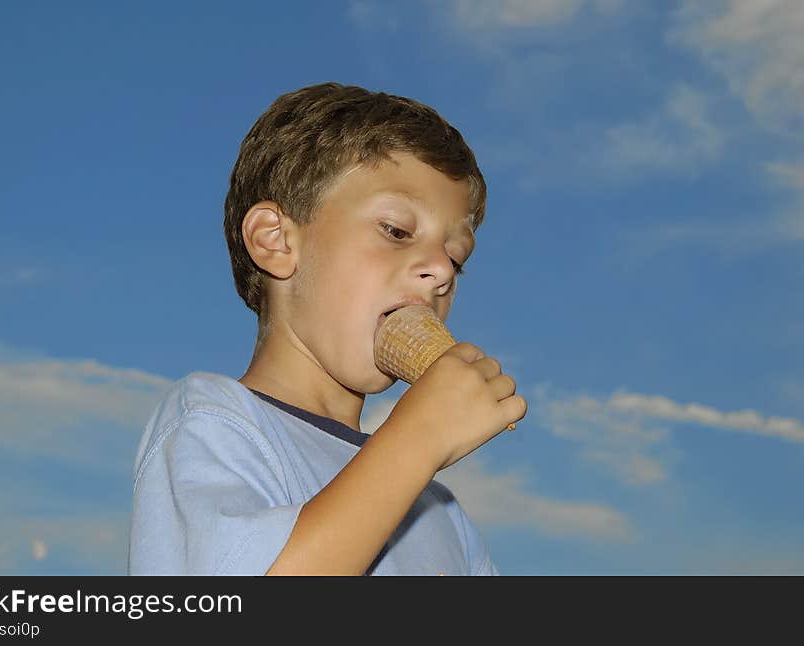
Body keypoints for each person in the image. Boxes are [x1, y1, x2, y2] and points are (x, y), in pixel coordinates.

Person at [128, 82, 527, 575]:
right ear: (275, 241)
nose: (441, 270)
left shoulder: (444, 515)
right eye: (397, 231)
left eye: (456, 257)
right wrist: (419, 438)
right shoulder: (215, 421)